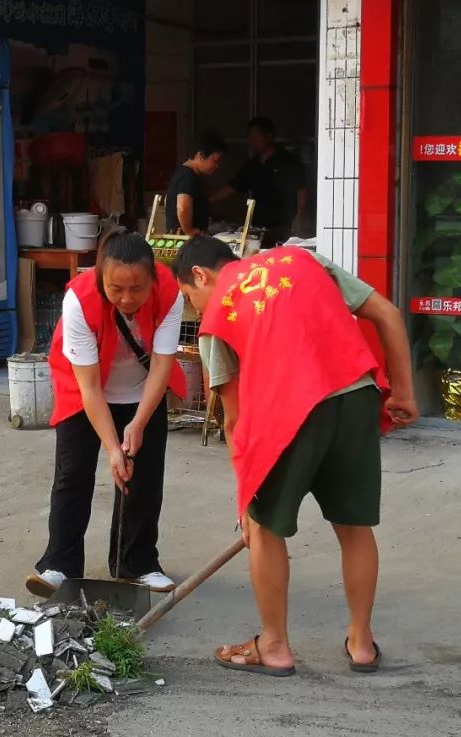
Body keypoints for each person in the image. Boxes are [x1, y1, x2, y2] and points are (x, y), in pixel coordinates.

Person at [172, 236, 418, 676]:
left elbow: (235, 420)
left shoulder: (217, 317)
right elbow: (387, 313)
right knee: (354, 526)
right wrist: (403, 392)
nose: (196, 307)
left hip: (289, 414)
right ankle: (362, 644)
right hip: (355, 394)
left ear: (199, 275)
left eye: (191, 298)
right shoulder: (300, 259)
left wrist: (246, 500)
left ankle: (275, 646)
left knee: (266, 530)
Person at [26, 232, 187, 597]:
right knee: (73, 474)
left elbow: (163, 363)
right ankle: (59, 564)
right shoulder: (78, 300)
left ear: (152, 279)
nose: (127, 299)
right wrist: (113, 448)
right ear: (101, 277)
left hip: (143, 389)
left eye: (137, 289)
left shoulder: (170, 291)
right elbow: (90, 388)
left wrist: (139, 422)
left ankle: (137, 563)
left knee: (144, 478)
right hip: (85, 389)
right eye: (116, 289)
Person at [211, 117, 308, 248]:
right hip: (259, 227)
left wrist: (300, 215)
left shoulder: (287, 161)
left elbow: (301, 188)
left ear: (269, 136)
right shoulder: (253, 165)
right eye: (250, 137)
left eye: (256, 136)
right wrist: (209, 200)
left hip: (283, 225)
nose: (252, 141)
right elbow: (234, 186)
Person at [164, 134, 227, 236]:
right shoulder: (187, 176)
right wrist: (190, 231)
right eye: (215, 160)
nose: (217, 166)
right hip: (186, 241)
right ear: (200, 155)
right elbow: (183, 207)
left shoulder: (191, 175)